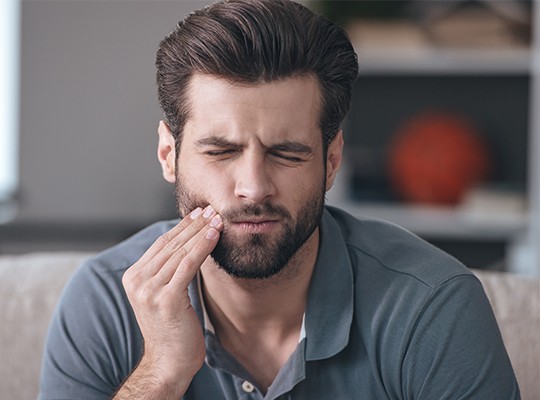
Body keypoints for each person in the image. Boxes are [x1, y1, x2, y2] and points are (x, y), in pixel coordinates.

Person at [39, 0, 520, 399]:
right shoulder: (104, 300)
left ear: (331, 161)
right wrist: (162, 373)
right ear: (169, 154)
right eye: (221, 151)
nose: (253, 187)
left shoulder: (430, 305)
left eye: (286, 154)